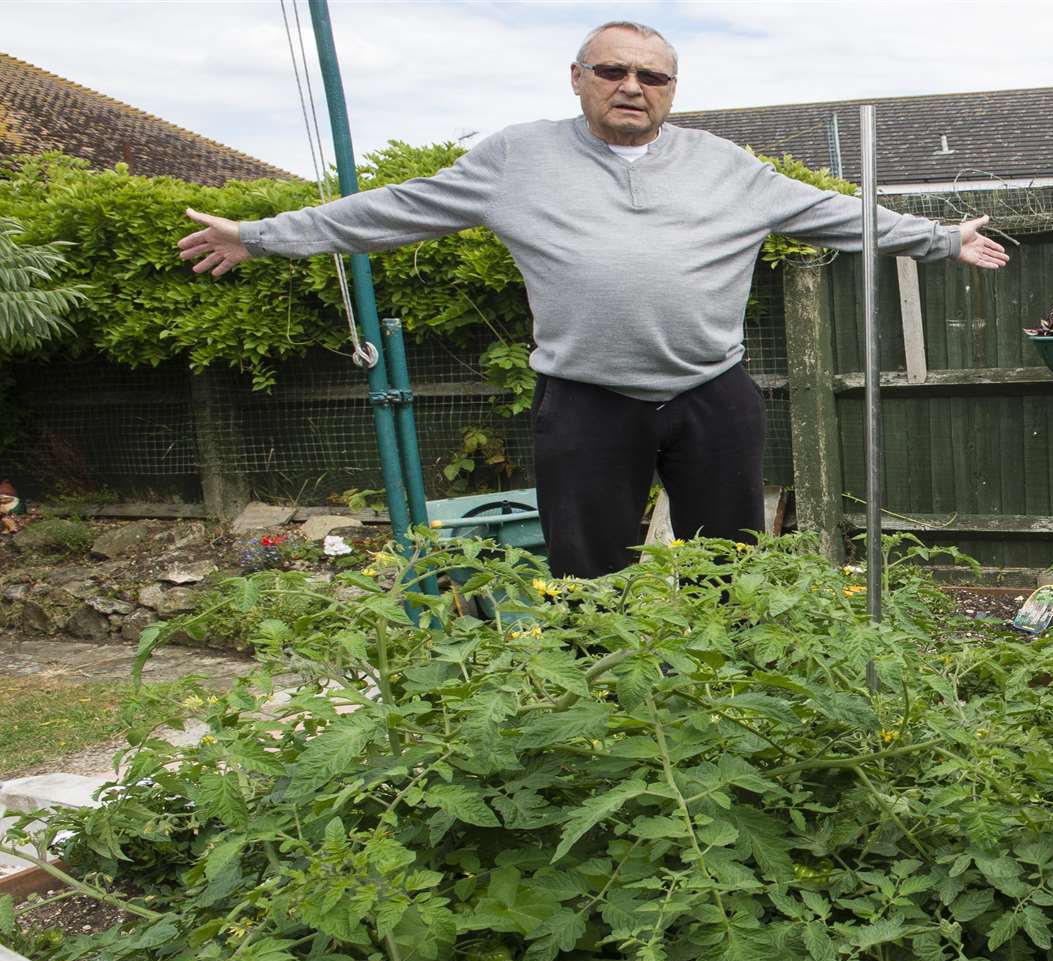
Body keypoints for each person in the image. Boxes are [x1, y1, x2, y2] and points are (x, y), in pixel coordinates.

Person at [178, 20, 1008, 577]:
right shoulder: (516, 159)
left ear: (671, 90)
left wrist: (938, 238)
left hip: (711, 396)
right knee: (587, 576)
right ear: (577, 78)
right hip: (585, 401)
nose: (632, 85)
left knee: (729, 569)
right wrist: (262, 235)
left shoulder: (727, 165)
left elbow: (833, 214)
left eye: (653, 76)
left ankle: (731, 698)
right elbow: (396, 208)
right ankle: (600, 716)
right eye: (612, 70)